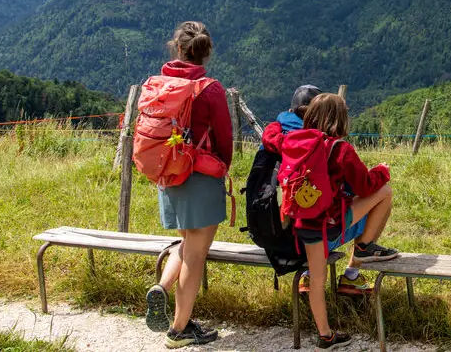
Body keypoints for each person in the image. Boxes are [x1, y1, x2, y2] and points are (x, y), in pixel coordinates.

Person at [263, 92, 398, 350]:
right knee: (385, 192)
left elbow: (270, 137)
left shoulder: (291, 141)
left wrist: (279, 122)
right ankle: (364, 246)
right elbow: (365, 186)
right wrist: (382, 171)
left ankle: (326, 335)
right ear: (340, 120)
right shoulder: (340, 149)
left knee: (317, 280)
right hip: (331, 223)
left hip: (303, 226)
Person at [143, 21, 233, 348]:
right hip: (200, 177)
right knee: (195, 256)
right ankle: (179, 329)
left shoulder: (159, 84)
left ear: (178, 49)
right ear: (206, 53)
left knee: (186, 242)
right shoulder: (210, 89)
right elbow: (224, 139)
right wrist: (221, 168)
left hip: (168, 174)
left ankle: (162, 287)